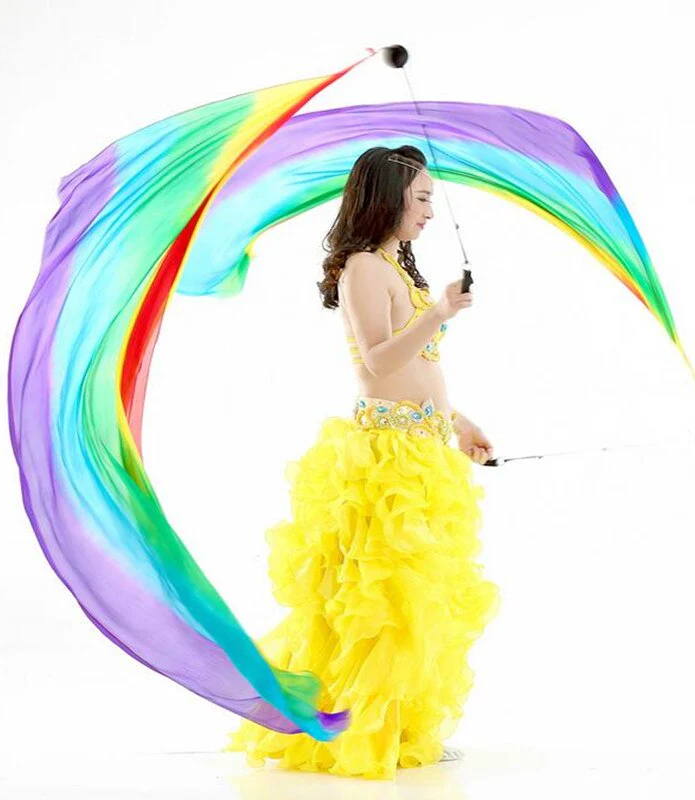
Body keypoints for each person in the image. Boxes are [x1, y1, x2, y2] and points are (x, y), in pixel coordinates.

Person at [223, 145, 501, 780]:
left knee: (414, 595)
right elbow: (377, 362)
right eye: (421, 198)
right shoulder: (362, 269)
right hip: (385, 458)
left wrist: (458, 422)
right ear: (386, 199)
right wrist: (439, 312)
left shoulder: (394, 266)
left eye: (431, 199)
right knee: (378, 597)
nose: (429, 211)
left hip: (423, 450)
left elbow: (419, 365)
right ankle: (358, 726)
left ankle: (396, 724)